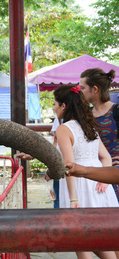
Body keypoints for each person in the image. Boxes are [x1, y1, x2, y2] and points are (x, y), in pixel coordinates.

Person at [53, 84, 118, 259]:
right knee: (100, 239)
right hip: (98, 185)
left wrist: (73, 198)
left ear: (64, 106)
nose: (53, 107)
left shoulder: (63, 129)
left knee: (80, 240)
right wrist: (105, 180)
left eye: (55, 103)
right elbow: (105, 157)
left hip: (78, 186)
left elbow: (69, 166)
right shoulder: (90, 126)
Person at [80, 68, 119, 200]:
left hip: (115, 177)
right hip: (92, 178)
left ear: (95, 89)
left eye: (83, 87)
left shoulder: (116, 111)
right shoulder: (85, 115)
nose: (80, 91)